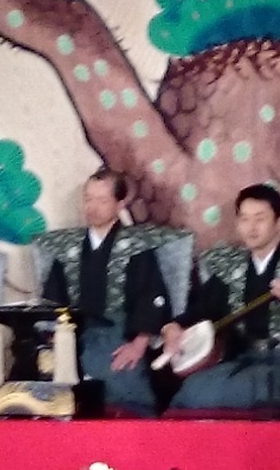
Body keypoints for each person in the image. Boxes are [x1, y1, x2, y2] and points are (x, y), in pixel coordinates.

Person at [162, 184, 280, 416]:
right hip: (241, 359)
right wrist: (173, 327)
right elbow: (203, 309)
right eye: (244, 219)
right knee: (192, 390)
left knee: (264, 389)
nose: (251, 227)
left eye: (260, 219)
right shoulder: (231, 267)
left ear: (278, 221)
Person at [35, 168, 192, 417]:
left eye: (102, 200)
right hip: (73, 335)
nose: (92, 207)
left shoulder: (135, 245)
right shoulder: (67, 246)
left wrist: (138, 345)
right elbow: (52, 301)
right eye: (88, 199)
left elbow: (150, 296)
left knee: (125, 389)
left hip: (119, 334)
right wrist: (54, 342)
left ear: (120, 204)